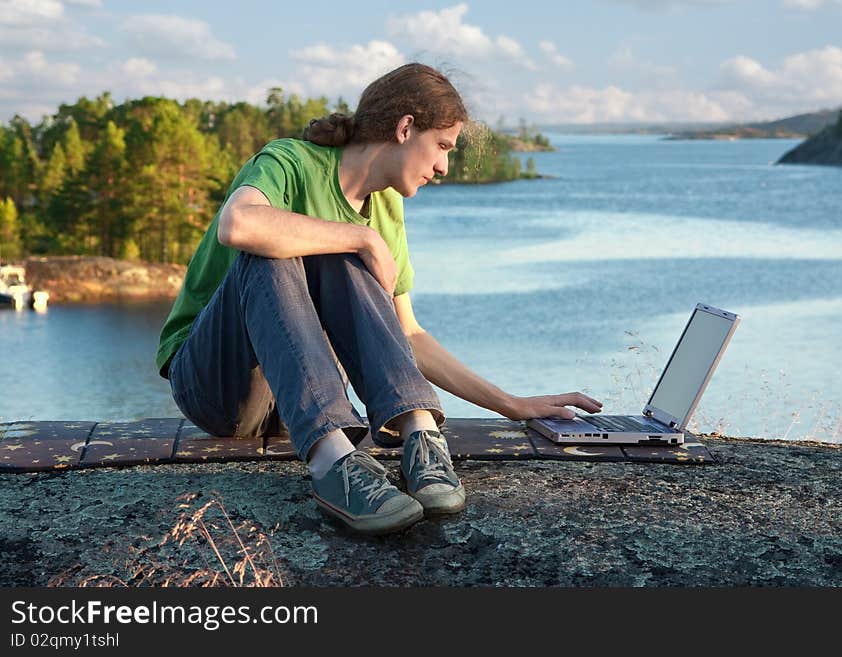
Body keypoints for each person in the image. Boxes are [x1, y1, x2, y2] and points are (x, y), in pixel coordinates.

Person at [156, 63, 602, 535]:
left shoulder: (387, 204)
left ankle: (421, 438)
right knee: (282, 245)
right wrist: (361, 239)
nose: (444, 167)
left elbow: (407, 333)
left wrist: (511, 404)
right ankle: (333, 465)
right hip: (216, 385)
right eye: (443, 147)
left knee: (344, 252)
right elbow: (238, 225)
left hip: (291, 405)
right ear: (406, 127)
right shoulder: (289, 160)